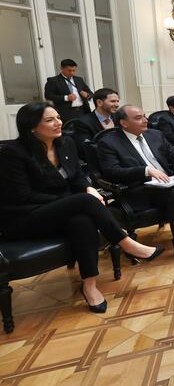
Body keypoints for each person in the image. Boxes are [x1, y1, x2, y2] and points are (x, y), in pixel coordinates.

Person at [0, 103, 163, 313]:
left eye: (58, 117)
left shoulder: (65, 143)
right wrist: (73, 199)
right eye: (50, 120)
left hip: (59, 211)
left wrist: (87, 187)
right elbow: (22, 196)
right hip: (23, 218)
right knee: (84, 202)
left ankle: (90, 285)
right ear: (31, 127)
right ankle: (128, 243)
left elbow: (77, 177)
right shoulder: (13, 153)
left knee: (82, 221)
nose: (59, 123)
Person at [97, 105, 174, 259]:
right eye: (138, 118)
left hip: (168, 180)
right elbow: (113, 172)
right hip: (141, 189)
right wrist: (145, 170)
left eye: (145, 116)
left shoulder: (155, 134)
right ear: (124, 123)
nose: (145, 120)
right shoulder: (109, 142)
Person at [44, 58, 94, 124]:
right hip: (66, 113)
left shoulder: (79, 79)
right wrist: (66, 98)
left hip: (83, 111)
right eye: (69, 70)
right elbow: (48, 96)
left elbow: (90, 93)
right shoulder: (53, 81)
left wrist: (87, 95)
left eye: (74, 70)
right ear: (62, 68)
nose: (72, 73)